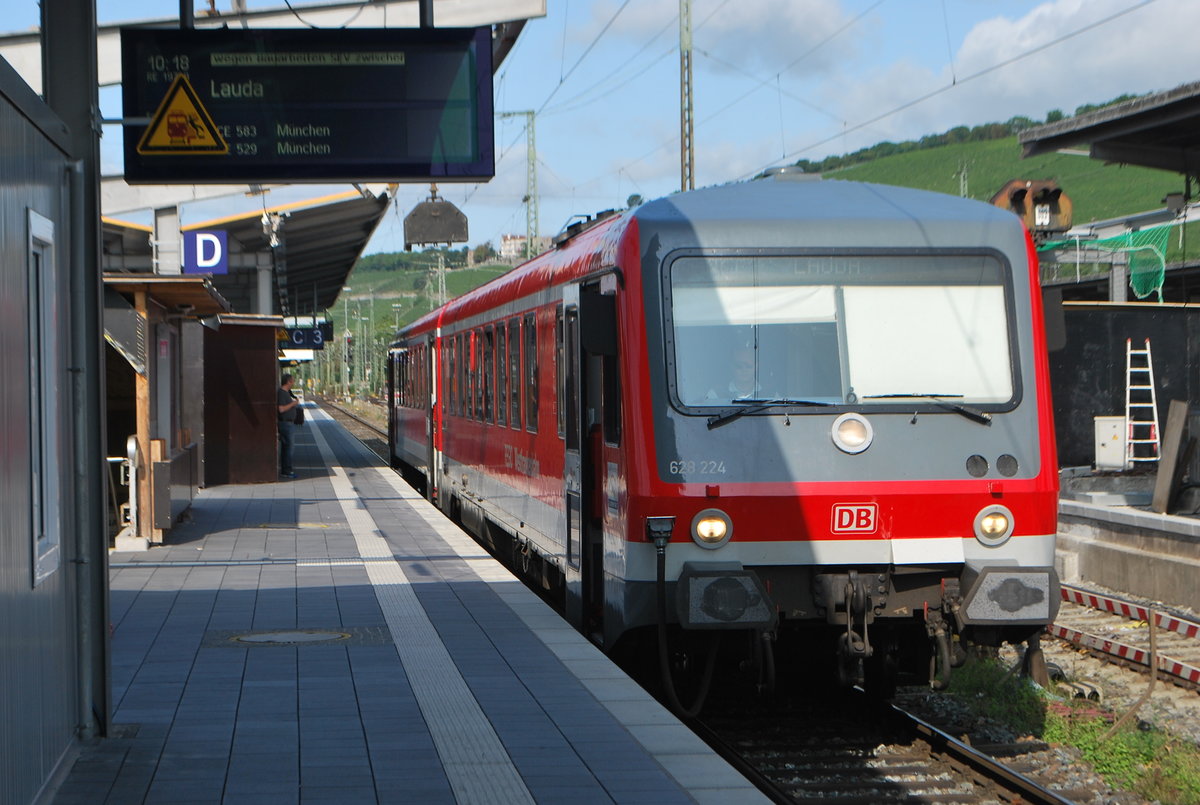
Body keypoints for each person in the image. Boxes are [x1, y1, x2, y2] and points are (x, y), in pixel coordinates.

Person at [277, 374, 300, 478]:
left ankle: (285, 470)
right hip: (286, 424)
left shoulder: (286, 393)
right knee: (289, 448)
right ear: (288, 381)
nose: (293, 383)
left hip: (288, 423)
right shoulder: (282, 393)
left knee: (286, 447)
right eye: (292, 381)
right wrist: (293, 404)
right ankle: (287, 470)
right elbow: (281, 409)